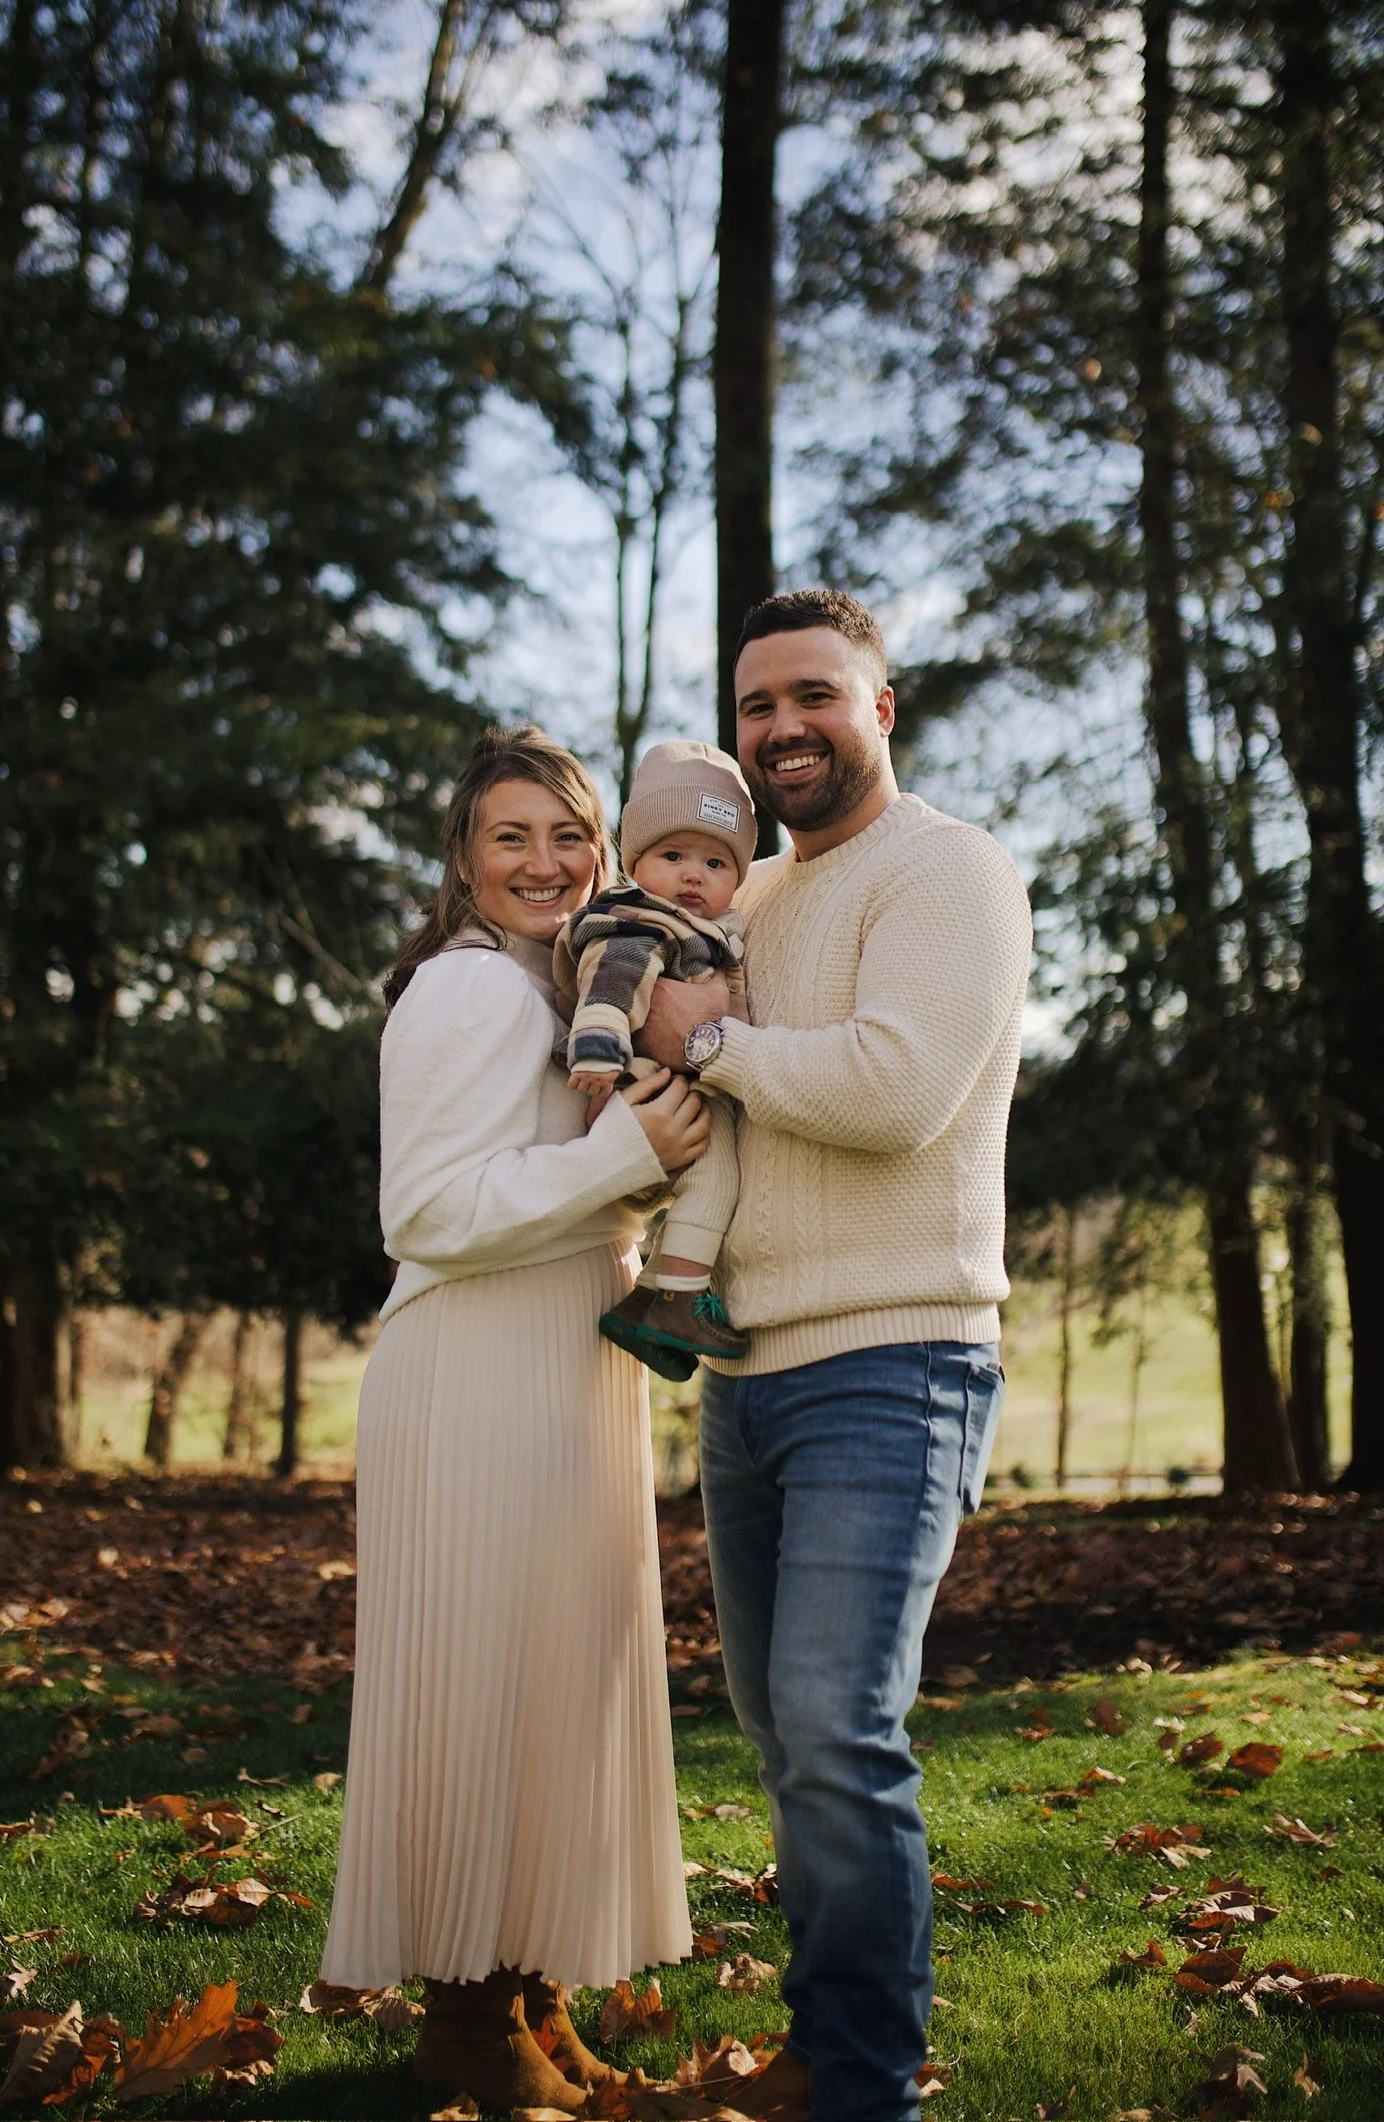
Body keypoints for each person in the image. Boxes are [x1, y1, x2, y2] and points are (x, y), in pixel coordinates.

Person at [638, 591, 1033, 2122]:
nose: (783, 726)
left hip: (897, 1361)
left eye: (814, 694)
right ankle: (822, 2055)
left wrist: (705, 1041)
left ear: (881, 708)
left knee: (834, 1724)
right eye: (757, 705)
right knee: (783, 1733)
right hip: (745, 1375)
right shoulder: (741, 898)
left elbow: (892, 1092)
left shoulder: (950, 872)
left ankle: (865, 2090)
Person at [321, 725, 702, 2116]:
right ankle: (468, 2018)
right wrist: (623, 1156)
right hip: (475, 1371)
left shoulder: (572, 989)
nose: (544, 863)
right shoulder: (466, 988)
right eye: (510, 837)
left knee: (552, 1683)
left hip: (561, 1361)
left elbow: (557, 1175)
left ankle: (534, 1995)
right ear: (463, 858)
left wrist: (645, 1164)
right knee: (486, 1683)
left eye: (568, 836)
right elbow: (423, 1213)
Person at [554, 740, 756, 1378]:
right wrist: (598, 1051)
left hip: (672, 1089)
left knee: (708, 1180)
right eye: (673, 856)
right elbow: (613, 985)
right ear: (634, 863)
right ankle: (679, 1299)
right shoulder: (639, 922)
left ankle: (648, 1298)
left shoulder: (707, 931)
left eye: (715, 862)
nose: (694, 875)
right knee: (716, 1178)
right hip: (641, 1088)